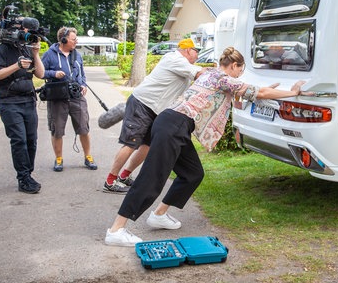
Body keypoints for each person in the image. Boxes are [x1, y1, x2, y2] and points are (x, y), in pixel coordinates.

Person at [104, 47, 308, 246]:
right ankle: (116, 230)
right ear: (234, 65)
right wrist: (292, 92)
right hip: (174, 126)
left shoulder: (211, 75)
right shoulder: (222, 78)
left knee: (193, 173)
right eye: (240, 71)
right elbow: (259, 92)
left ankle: (159, 215)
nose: (239, 75)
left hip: (174, 124)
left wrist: (269, 91)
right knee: (153, 177)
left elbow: (246, 94)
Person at [103, 38, 205, 193]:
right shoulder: (174, 59)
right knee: (131, 143)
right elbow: (199, 74)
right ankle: (110, 180)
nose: (197, 55)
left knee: (148, 146)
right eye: (196, 51)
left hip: (156, 110)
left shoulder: (184, 65)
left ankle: (124, 176)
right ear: (187, 50)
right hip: (142, 104)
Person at [0, 22, 45, 194]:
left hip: (28, 101)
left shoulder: (25, 48)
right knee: (19, 140)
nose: (25, 31)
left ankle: (28, 174)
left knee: (31, 139)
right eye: (21, 28)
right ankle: (23, 178)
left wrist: (36, 54)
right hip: (8, 101)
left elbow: (41, 74)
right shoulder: (2, 50)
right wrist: (17, 65)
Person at [39, 27, 97, 172]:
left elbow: (82, 74)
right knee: (57, 130)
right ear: (64, 40)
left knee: (84, 128)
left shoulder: (77, 55)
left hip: (76, 97)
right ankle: (59, 159)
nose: (76, 41)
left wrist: (83, 85)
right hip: (58, 98)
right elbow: (39, 72)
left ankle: (88, 157)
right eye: (73, 39)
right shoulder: (49, 55)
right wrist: (53, 73)